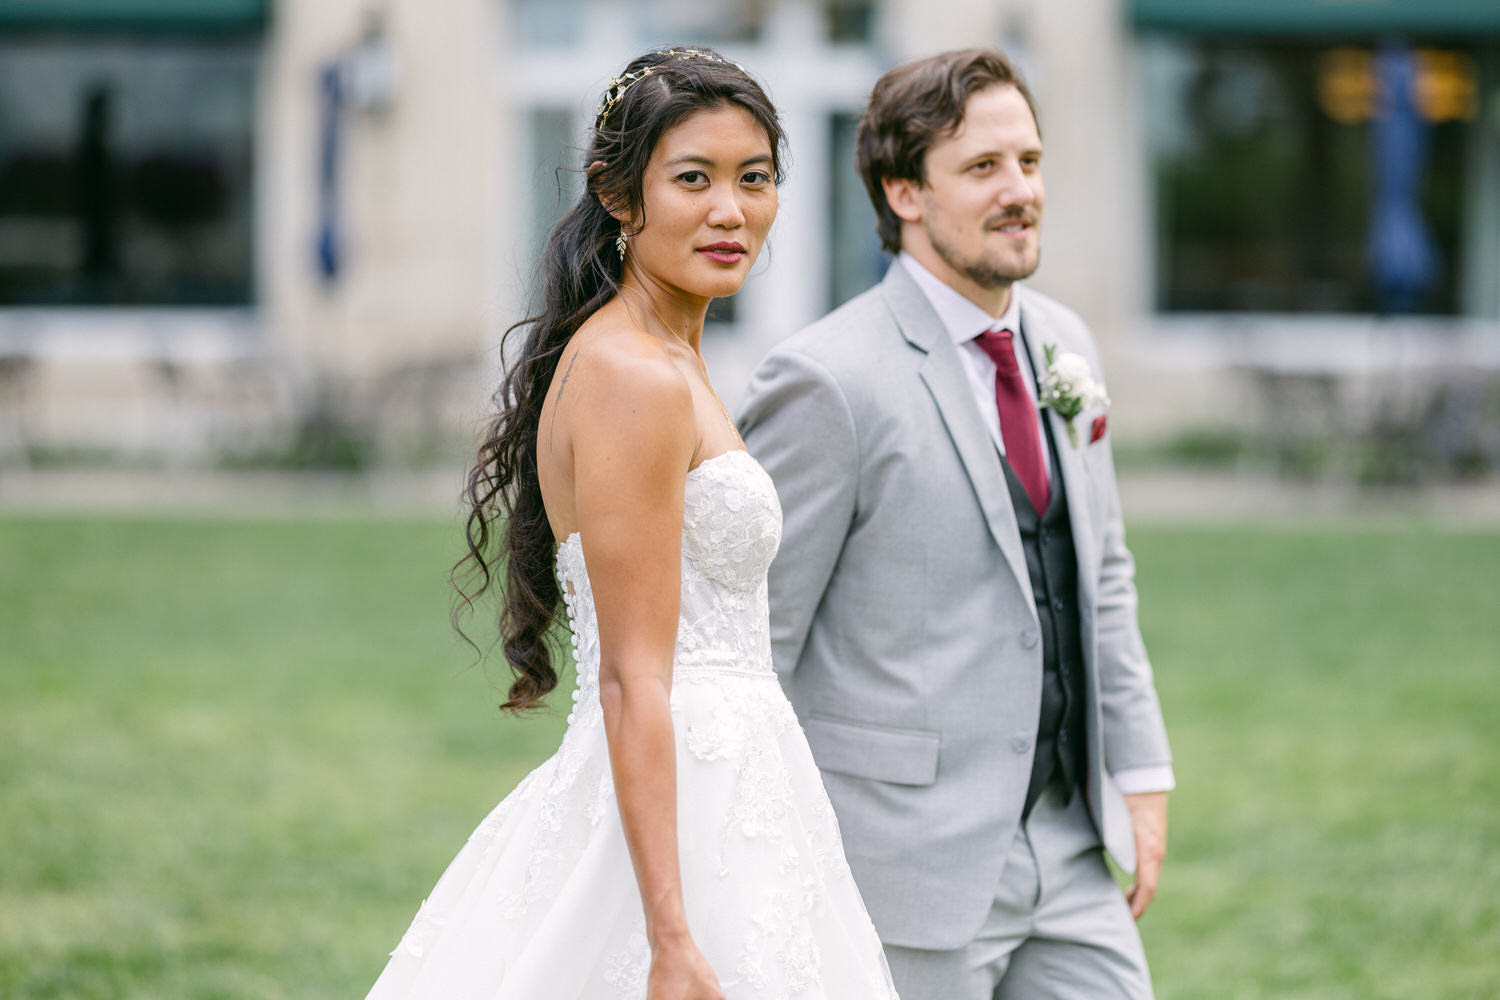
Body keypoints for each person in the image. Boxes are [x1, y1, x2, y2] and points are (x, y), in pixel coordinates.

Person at [365, 47, 899, 1000]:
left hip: (736, 784)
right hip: (681, 796)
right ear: (618, 194)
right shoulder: (633, 376)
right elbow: (629, 671)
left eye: (756, 178)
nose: (731, 211)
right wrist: (671, 934)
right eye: (693, 178)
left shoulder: (662, 355)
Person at [737, 48, 1174, 1000]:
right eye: (983, 168)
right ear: (903, 192)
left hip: (1066, 845)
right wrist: (765, 856)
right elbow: (753, 648)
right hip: (897, 866)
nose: (1020, 190)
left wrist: (1139, 770)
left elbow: (1101, 576)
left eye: (1029, 161)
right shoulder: (827, 381)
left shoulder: (1067, 345)